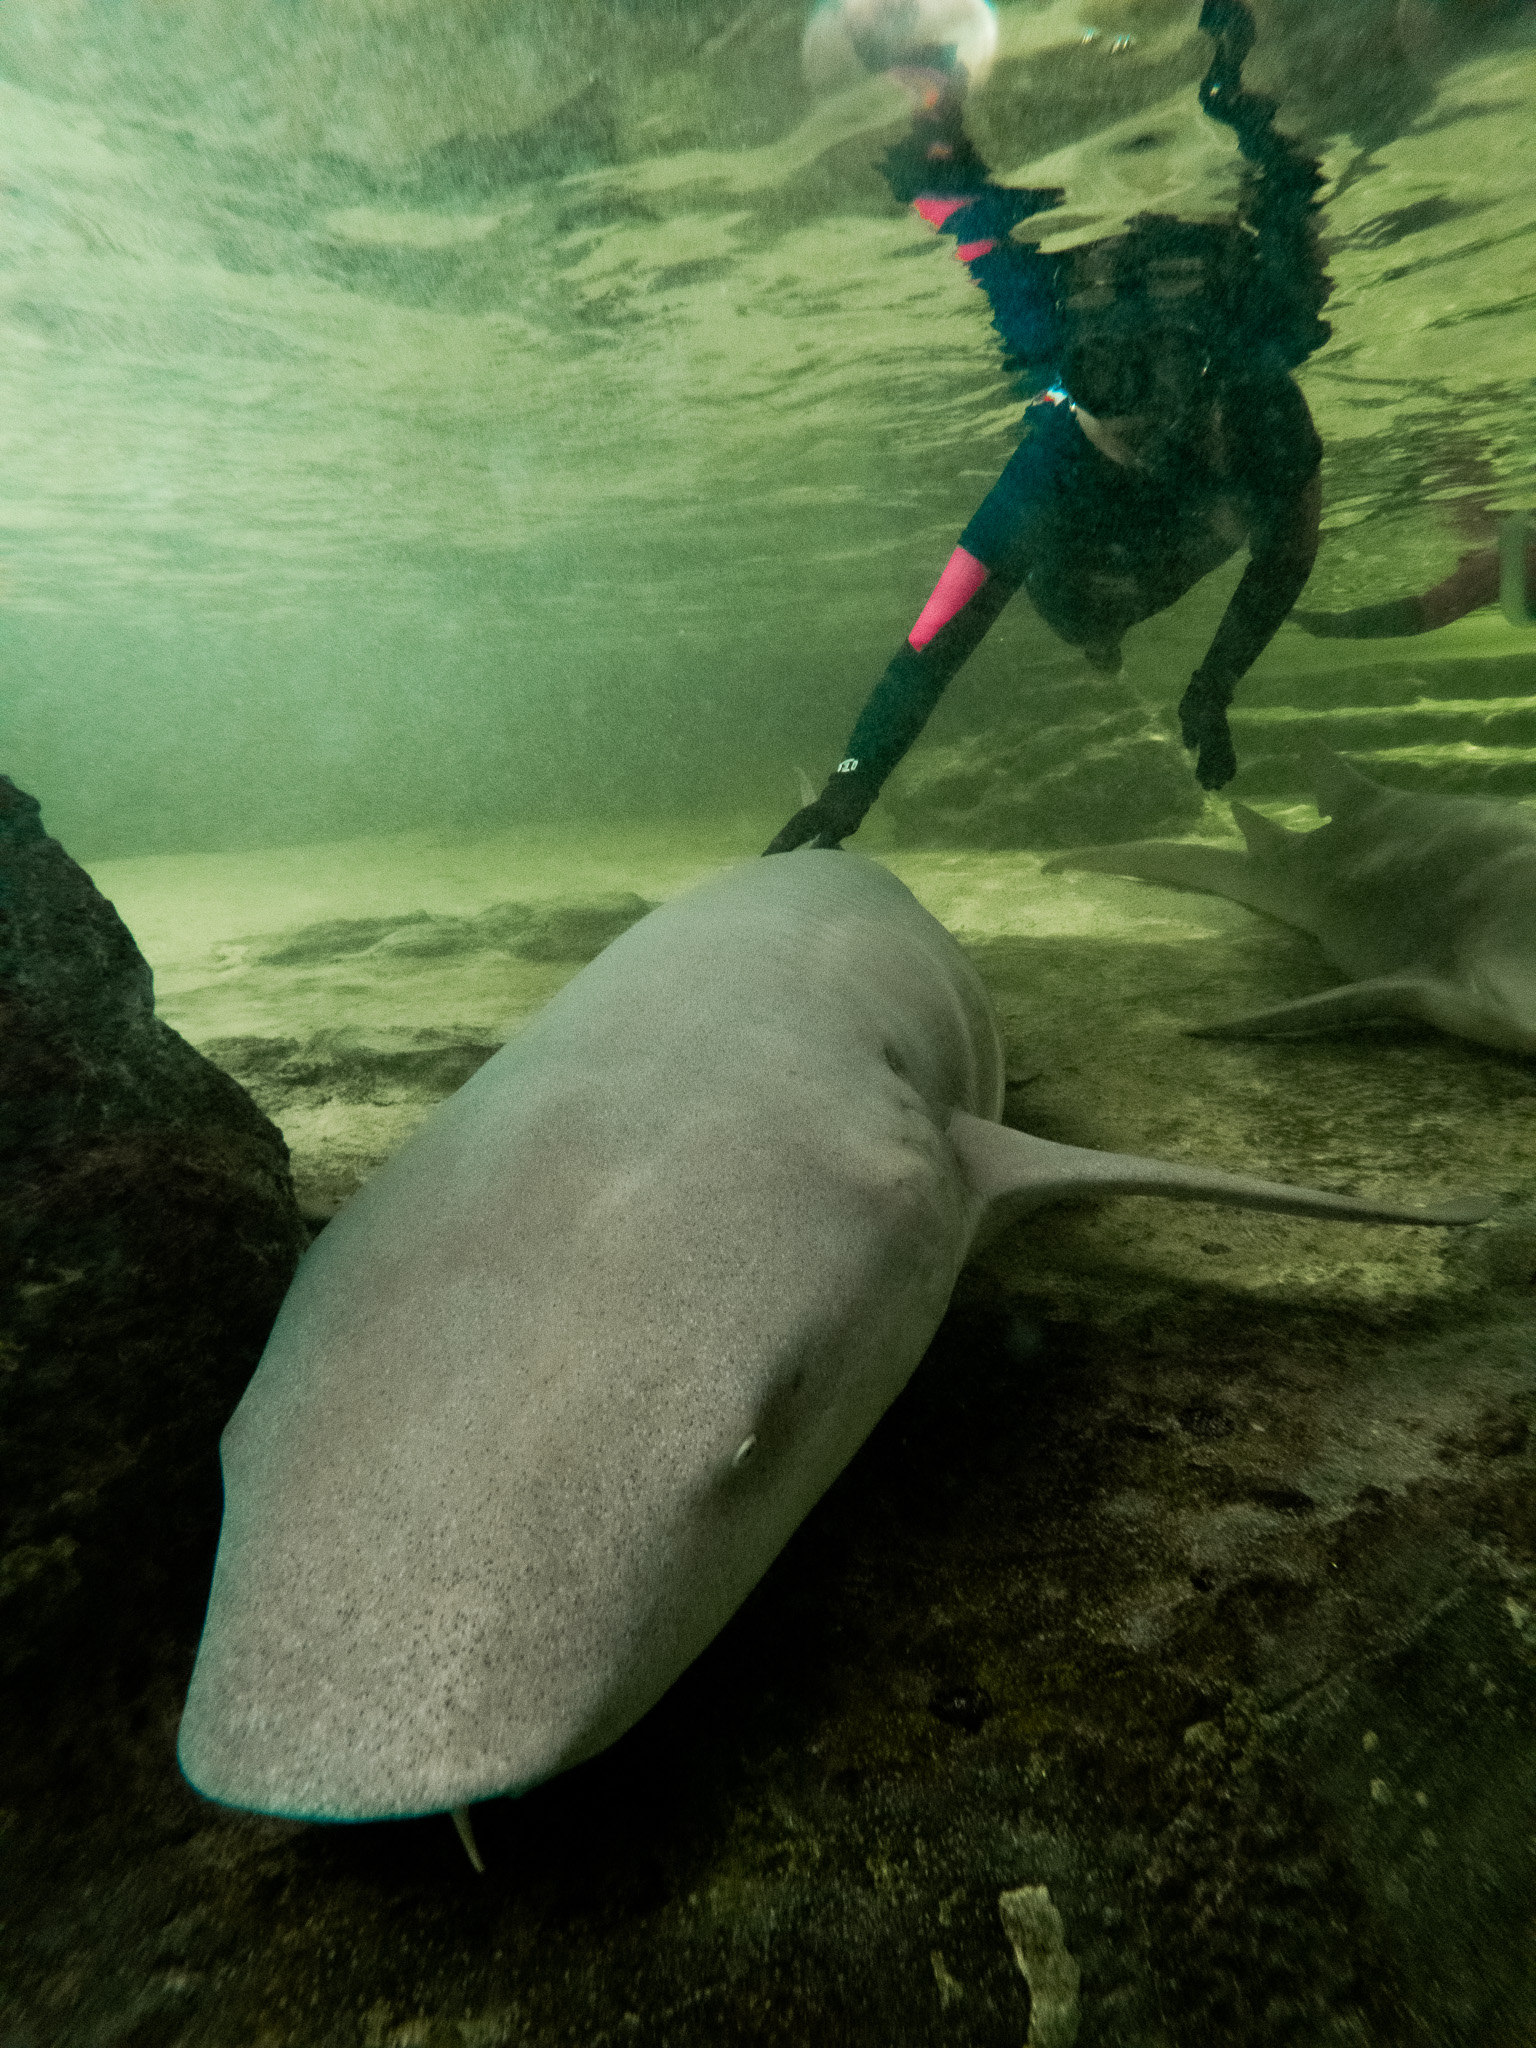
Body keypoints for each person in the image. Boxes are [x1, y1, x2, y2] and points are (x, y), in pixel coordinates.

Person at [767, 0, 1333, 855]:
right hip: (1117, 553)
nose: (1141, 408)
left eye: (1164, 368)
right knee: (1283, 183)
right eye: (1109, 376)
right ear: (1071, 383)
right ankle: (1233, 67)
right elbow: (1284, 555)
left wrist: (1212, 687)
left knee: (957, 198)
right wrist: (1209, 689)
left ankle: (932, 105)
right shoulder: (1075, 468)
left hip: (1129, 538)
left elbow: (931, 648)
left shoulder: (1241, 413)